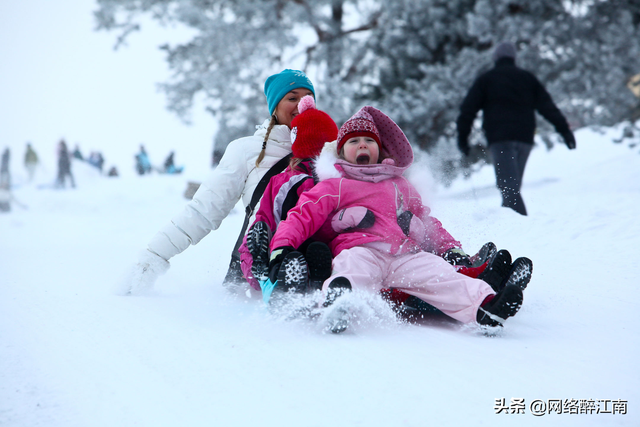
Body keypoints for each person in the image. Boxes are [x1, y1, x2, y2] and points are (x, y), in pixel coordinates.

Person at [268, 106, 529, 332]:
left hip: (405, 255)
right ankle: (337, 303)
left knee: (440, 274)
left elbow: (427, 221)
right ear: (341, 152)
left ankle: (485, 306)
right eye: (353, 141)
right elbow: (302, 215)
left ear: (380, 151)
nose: (362, 145)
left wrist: (450, 248)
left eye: (369, 141)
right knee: (351, 268)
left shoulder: (399, 184)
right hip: (361, 250)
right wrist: (281, 248)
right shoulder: (335, 185)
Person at [123, 69, 315, 296]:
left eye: (307, 98)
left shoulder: (330, 152)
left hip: (317, 265)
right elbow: (204, 211)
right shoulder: (246, 151)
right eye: (292, 98)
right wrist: (154, 257)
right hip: (258, 270)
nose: (302, 105)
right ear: (274, 106)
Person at [456, 41, 576, 216]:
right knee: (511, 187)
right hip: (524, 139)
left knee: (509, 188)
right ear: (513, 58)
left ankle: (521, 228)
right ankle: (514, 228)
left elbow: (467, 111)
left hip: (500, 139)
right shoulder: (527, 78)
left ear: (496, 58)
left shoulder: (486, 79)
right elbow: (548, 107)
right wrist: (564, 130)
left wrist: (462, 138)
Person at [239, 95, 338, 302]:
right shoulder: (339, 182)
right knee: (317, 251)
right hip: (322, 250)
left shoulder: (282, 181)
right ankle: (316, 286)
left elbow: (263, 220)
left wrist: (250, 258)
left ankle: (269, 279)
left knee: (281, 254)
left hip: (284, 248)